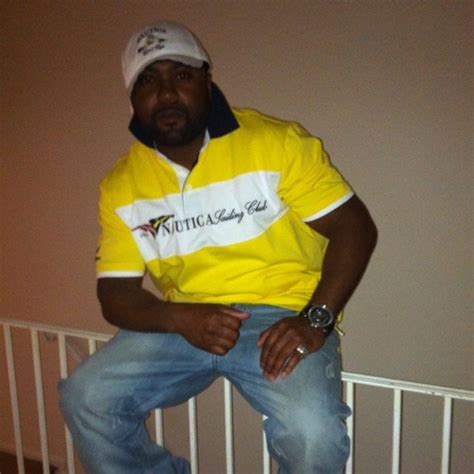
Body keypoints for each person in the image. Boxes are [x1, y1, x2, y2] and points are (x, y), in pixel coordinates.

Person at [59, 20, 377, 474]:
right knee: (85, 396)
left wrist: (314, 319)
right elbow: (115, 295)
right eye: (148, 81)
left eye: (181, 75)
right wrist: (180, 318)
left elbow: (354, 227)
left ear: (207, 81)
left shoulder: (274, 142)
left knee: (313, 432)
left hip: (280, 316)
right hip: (184, 321)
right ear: (133, 99)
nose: (166, 93)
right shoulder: (120, 185)